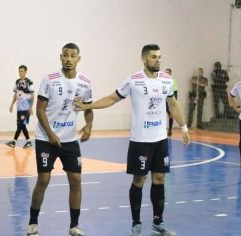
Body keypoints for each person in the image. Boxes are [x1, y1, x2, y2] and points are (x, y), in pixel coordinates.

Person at [74, 44, 190, 236]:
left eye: (159, 57)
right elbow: (112, 98)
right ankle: (136, 223)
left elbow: (173, 104)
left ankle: (158, 222)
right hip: (140, 141)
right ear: (144, 59)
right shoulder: (133, 80)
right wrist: (88, 104)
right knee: (139, 180)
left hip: (160, 140)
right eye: (153, 57)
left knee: (159, 179)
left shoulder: (167, 80)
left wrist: (184, 127)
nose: (158, 60)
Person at [27, 43, 93, 236]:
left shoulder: (85, 82)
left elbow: (88, 109)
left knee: (76, 180)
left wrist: (88, 126)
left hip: (70, 140)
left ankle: (74, 225)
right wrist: (50, 134)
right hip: (46, 138)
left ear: (78, 58)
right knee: (44, 179)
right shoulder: (49, 79)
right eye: (65, 55)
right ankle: (33, 222)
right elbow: (40, 110)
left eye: (72, 56)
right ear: (60, 57)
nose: (68, 59)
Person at [5, 65, 35, 148]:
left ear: (25, 72)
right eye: (19, 71)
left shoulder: (29, 82)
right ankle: (20, 142)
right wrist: (11, 105)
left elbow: (32, 95)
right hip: (19, 108)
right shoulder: (17, 82)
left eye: (22, 71)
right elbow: (15, 94)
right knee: (20, 125)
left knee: (21, 125)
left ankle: (16, 142)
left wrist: (31, 107)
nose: (20, 73)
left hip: (25, 108)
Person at [164, 68, 178, 136]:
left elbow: (175, 93)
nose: (165, 74)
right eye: (165, 72)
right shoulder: (161, 81)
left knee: (170, 116)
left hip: (169, 102)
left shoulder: (173, 82)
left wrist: (174, 103)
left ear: (170, 74)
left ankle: (169, 130)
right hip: (162, 102)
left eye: (167, 73)